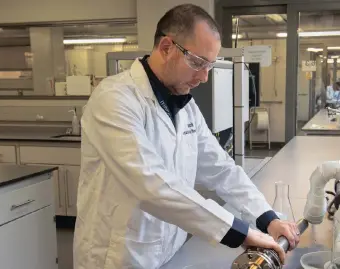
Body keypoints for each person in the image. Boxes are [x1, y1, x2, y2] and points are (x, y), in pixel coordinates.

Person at [73, 4, 300, 269]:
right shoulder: (114, 99)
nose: (204, 77)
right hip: (117, 257)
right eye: (197, 63)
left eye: (210, 66)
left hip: (170, 253)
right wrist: (241, 233)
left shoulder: (185, 106)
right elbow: (151, 185)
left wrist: (267, 218)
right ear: (167, 47)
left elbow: (221, 168)